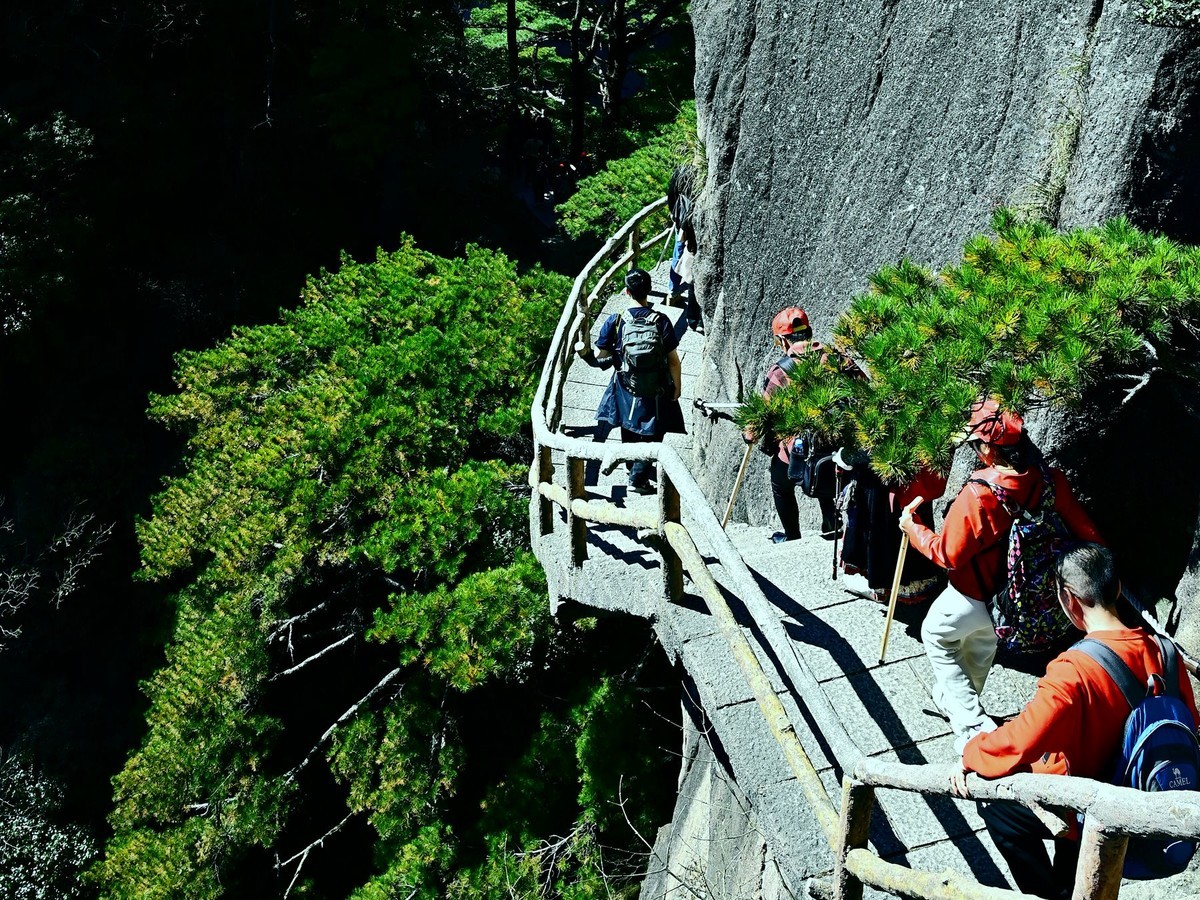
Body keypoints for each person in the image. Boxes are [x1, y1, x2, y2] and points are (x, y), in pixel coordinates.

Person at [948, 542, 1200, 899]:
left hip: (1086, 803)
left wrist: (972, 754)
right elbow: (1190, 720)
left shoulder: (1074, 668)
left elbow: (1022, 741)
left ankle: (1047, 893)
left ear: (1068, 599)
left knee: (998, 810)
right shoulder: (1167, 652)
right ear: (1117, 588)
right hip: (1144, 790)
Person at [899, 397, 1104, 751]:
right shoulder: (1051, 481)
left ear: (987, 450)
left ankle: (973, 727)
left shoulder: (979, 495)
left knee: (935, 634)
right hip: (1021, 603)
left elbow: (947, 555)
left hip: (975, 595)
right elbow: (1088, 535)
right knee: (981, 646)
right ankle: (955, 699)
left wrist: (912, 528)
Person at [744, 307, 851, 543]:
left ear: (784, 340)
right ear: (809, 332)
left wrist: (749, 434)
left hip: (799, 453)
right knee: (826, 462)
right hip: (838, 446)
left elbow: (761, 415)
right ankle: (830, 520)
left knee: (780, 483)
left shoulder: (781, 371)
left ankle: (792, 536)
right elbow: (863, 388)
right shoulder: (837, 358)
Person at [588, 268, 684, 493]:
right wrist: (677, 387)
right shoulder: (661, 321)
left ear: (627, 292)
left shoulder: (616, 320)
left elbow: (600, 355)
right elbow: (673, 361)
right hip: (656, 387)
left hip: (625, 386)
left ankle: (632, 465)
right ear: (649, 290)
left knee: (628, 423)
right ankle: (638, 479)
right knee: (653, 430)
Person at [839, 458, 946, 605]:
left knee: (890, 524)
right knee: (884, 523)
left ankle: (889, 585)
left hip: (893, 474)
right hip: (890, 474)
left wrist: (850, 457)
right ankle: (887, 584)